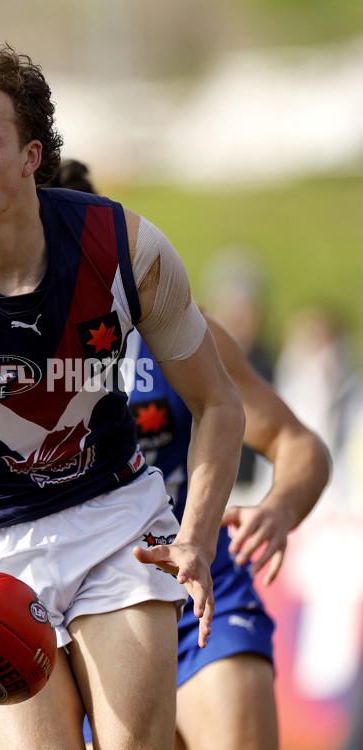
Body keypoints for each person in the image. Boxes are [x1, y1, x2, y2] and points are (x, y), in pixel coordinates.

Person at [0, 43, 245, 750]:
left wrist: (197, 538)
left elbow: (219, 404)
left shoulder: (126, 248)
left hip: (114, 519)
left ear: (33, 156)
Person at [50, 161, 331, 750]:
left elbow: (297, 443)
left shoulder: (177, 331)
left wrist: (278, 511)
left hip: (199, 586)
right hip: (85, 606)